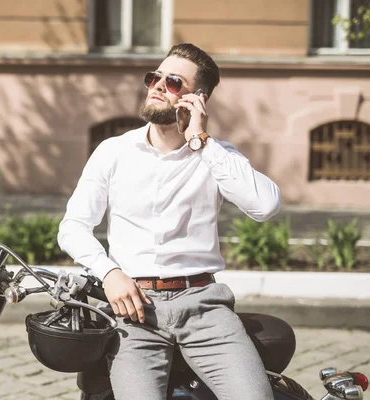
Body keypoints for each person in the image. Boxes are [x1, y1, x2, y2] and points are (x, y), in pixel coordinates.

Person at [57, 43, 280, 400]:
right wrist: (109, 273)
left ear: (197, 99)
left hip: (205, 307)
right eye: (155, 77)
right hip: (134, 312)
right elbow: (72, 227)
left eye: (174, 82)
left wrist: (200, 140)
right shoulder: (114, 151)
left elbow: (265, 206)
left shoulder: (216, 155)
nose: (158, 85)